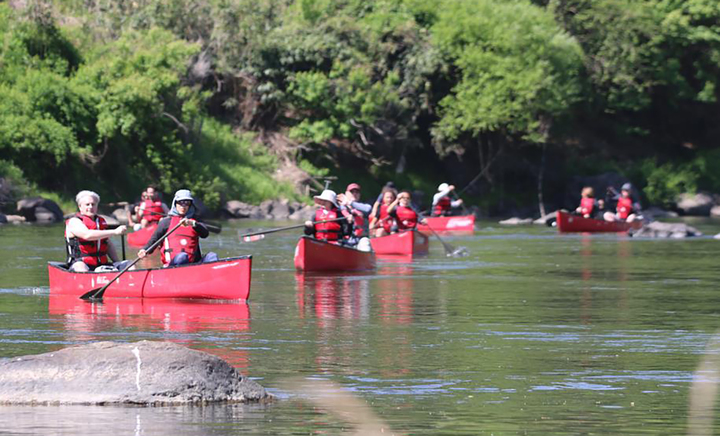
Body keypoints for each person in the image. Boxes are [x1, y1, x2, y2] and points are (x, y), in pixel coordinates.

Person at [138, 189, 218, 266]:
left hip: (194, 264)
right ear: (175, 203)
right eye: (180, 202)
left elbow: (205, 234)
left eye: (187, 203)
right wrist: (144, 250)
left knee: (212, 256)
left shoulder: (194, 222)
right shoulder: (166, 222)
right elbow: (154, 240)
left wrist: (193, 224)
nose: (183, 206)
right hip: (173, 264)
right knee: (182, 257)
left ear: (190, 205)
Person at [65, 190, 128, 272]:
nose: (90, 207)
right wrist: (114, 231)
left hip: (101, 264)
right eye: (87, 204)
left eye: (93, 204)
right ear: (80, 206)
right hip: (80, 263)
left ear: (97, 206)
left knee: (129, 264)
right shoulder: (74, 221)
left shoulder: (100, 221)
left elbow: (108, 244)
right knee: (81, 268)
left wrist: (117, 262)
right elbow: (87, 235)